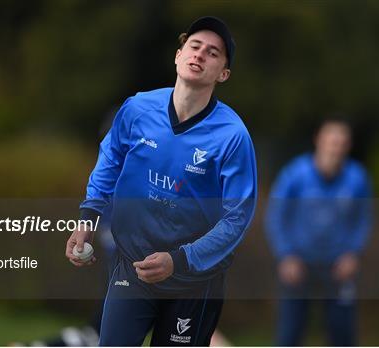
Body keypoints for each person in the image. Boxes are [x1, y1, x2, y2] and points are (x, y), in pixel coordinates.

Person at [65, 16, 257, 346]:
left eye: (213, 53)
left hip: (194, 282)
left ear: (223, 73)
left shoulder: (232, 136)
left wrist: (179, 260)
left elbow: (237, 218)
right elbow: (109, 162)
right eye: (194, 46)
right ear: (178, 54)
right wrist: (88, 217)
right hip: (134, 268)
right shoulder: (138, 108)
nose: (200, 55)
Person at [265, 119, 372, 346]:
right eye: (331, 141)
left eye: (341, 143)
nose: (336, 148)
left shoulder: (357, 178)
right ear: (318, 141)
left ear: (348, 146)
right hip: (299, 264)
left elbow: (362, 220)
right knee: (289, 333)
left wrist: (353, 254)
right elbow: (276, 216)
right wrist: (286, 255)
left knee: (343, 334)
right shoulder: (294, 174)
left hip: (339, 267)